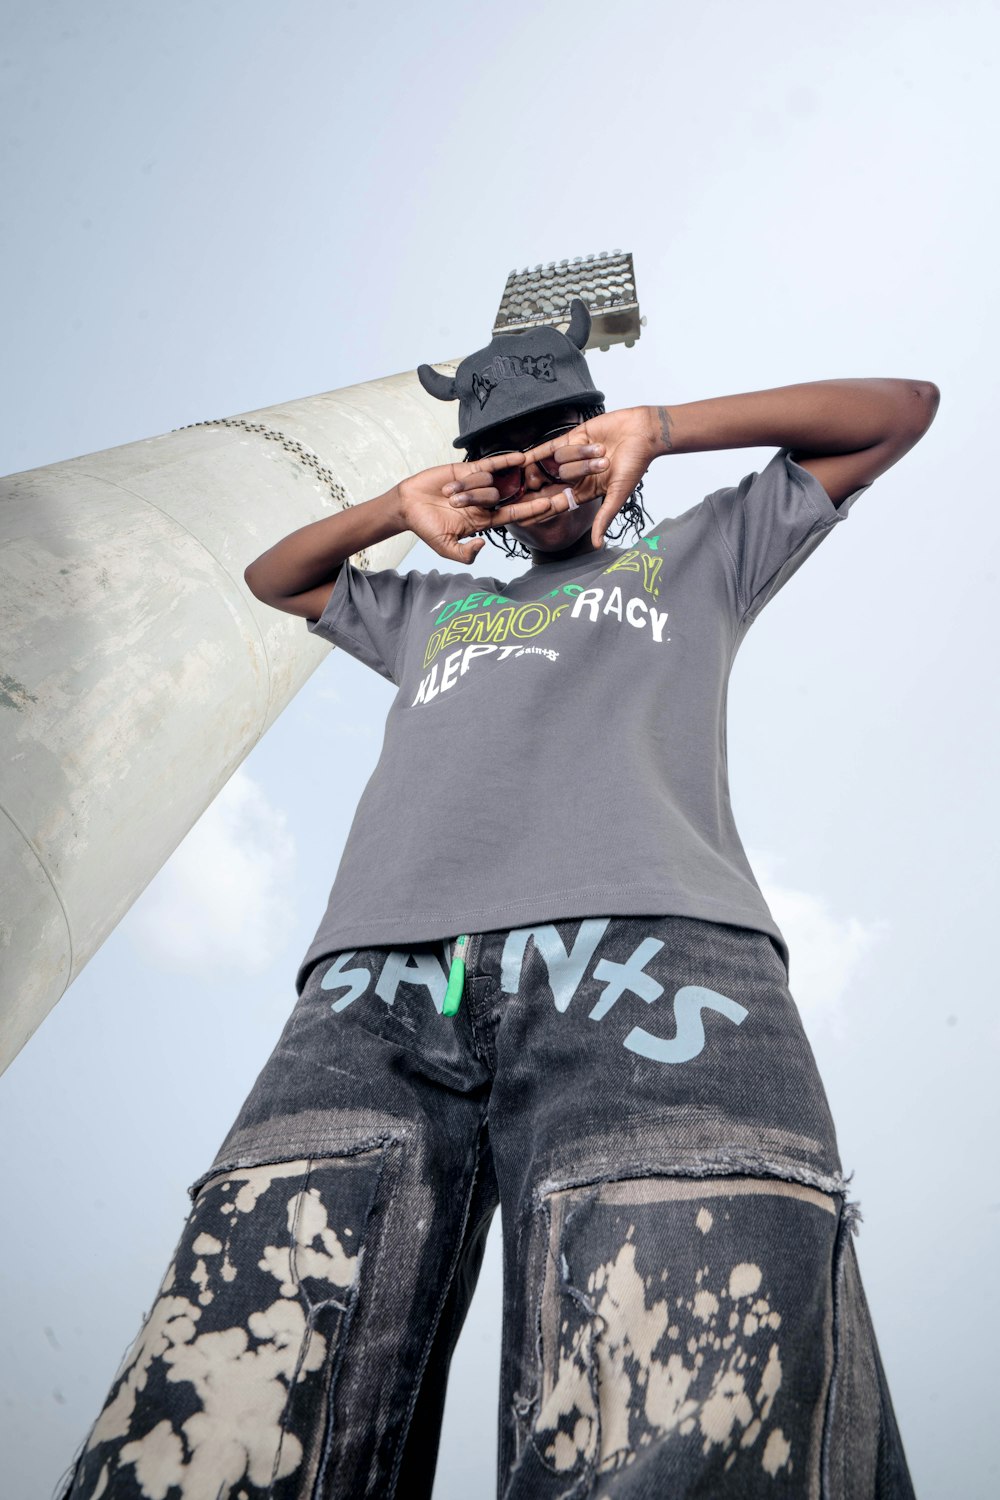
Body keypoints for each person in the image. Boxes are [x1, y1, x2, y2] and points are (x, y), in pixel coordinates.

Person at [62, 299, 938, 1499]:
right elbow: (277, 576)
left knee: (688, 1379)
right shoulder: (428, 609)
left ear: (601, 436)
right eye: (505, 453)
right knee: (233, 1368)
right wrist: (396, 509)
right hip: (380, 987)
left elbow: (897, 413)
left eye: (563, 436)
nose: (538, 468)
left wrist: (661, 427)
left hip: (653, 957)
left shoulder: (697, 553)